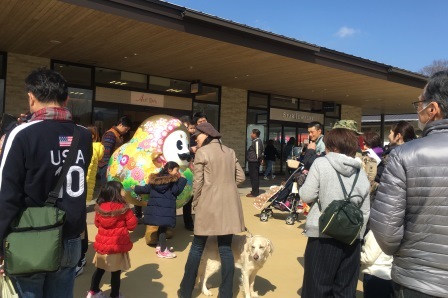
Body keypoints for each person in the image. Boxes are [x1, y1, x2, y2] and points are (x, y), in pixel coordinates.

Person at [0, 68, 92, 297]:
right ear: (67, 99)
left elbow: (6, 194)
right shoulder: (83, 136)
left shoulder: (21, 134)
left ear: (31, 97)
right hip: (71, 239)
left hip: (30, 238)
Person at [370, 70, 448, 297]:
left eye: (419, 104)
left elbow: (386, 233)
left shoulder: (404, 155)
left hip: (419, 279)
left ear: (433, 110)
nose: (418, 110)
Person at [299, 128, 370, 297]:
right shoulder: (360, 171)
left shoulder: (321, 163)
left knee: (317, 288)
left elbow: (307, 195)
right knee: (345, 290)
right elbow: (365, 211)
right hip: (351, 240)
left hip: (323, 235)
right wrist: (356, 236)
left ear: (334, 147)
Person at [178, 122, 245, 298]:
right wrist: (226, 187)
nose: (195, 140)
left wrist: (196, 202)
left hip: (208, 205)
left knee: (197, 247)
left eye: (196, 136)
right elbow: (241, 176)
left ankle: (185, 291)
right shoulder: (230, 152)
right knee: (225, 248)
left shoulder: (203, 152)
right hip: (230, 207)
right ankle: (226, 293)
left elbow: (198, 182)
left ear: (206, 135)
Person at [87, 181, 137, 298]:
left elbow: (97, 224)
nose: (124, 192)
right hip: (117, 246)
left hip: (103, 246)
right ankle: (114, 295)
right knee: (116, 273)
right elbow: (132, 226)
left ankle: (93, 292)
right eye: (122, 189)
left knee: (99, 270)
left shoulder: (100, 208)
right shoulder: (124, 209)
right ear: (117, 193)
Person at [133, 161, 187, 258]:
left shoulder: (155, 180)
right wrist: (182, 180)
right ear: (170, 170)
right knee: (163, 229)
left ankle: (159, 246)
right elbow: (176, 191)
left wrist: (135, 188)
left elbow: (146, 189)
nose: (177, 172)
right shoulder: (172, 181)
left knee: (161, 227)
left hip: (156, 209)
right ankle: (163, 250)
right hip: (165, 210)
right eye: (176, 170)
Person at [76, 125, 105, 277]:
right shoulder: (98, 147)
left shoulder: (89, 147)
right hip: (85, 183)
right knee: (81, 213)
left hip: (82, 182)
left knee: (79, 216)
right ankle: (80, 255)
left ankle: (80, 257)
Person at [98, 116, 131, 187]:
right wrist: (107, 167)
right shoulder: (111, 134)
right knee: (106, 188)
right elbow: (106, 151)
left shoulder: (118, 135)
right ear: (120, 125)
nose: (126, 131)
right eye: (126, 129)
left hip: (111, 165)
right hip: (106, 165)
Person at [361, 230, 393, 298]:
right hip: (387, 275)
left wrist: (355, 255)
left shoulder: (375, 233)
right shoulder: (391, 233)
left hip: (374, 276)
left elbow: (368, 258)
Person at [179, 115, 198, 231]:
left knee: (188, 197)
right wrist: (190, 150)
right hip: (177, 170)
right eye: (186, 126)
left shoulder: (191, 138)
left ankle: (188, 222)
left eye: (190, 127)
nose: (188, 129)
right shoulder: (178, 137)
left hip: (189, 171)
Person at [246, 128, 264, 197]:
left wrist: (259, 159)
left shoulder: (257, 141)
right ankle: (254, 190)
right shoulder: (255, 141)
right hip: (253, 161)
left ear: (255, 134)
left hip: (254, 162)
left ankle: (255, 193)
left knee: (254, 177)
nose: (251, 134)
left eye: (252, 133)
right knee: (253, 177)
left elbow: (258, 152)